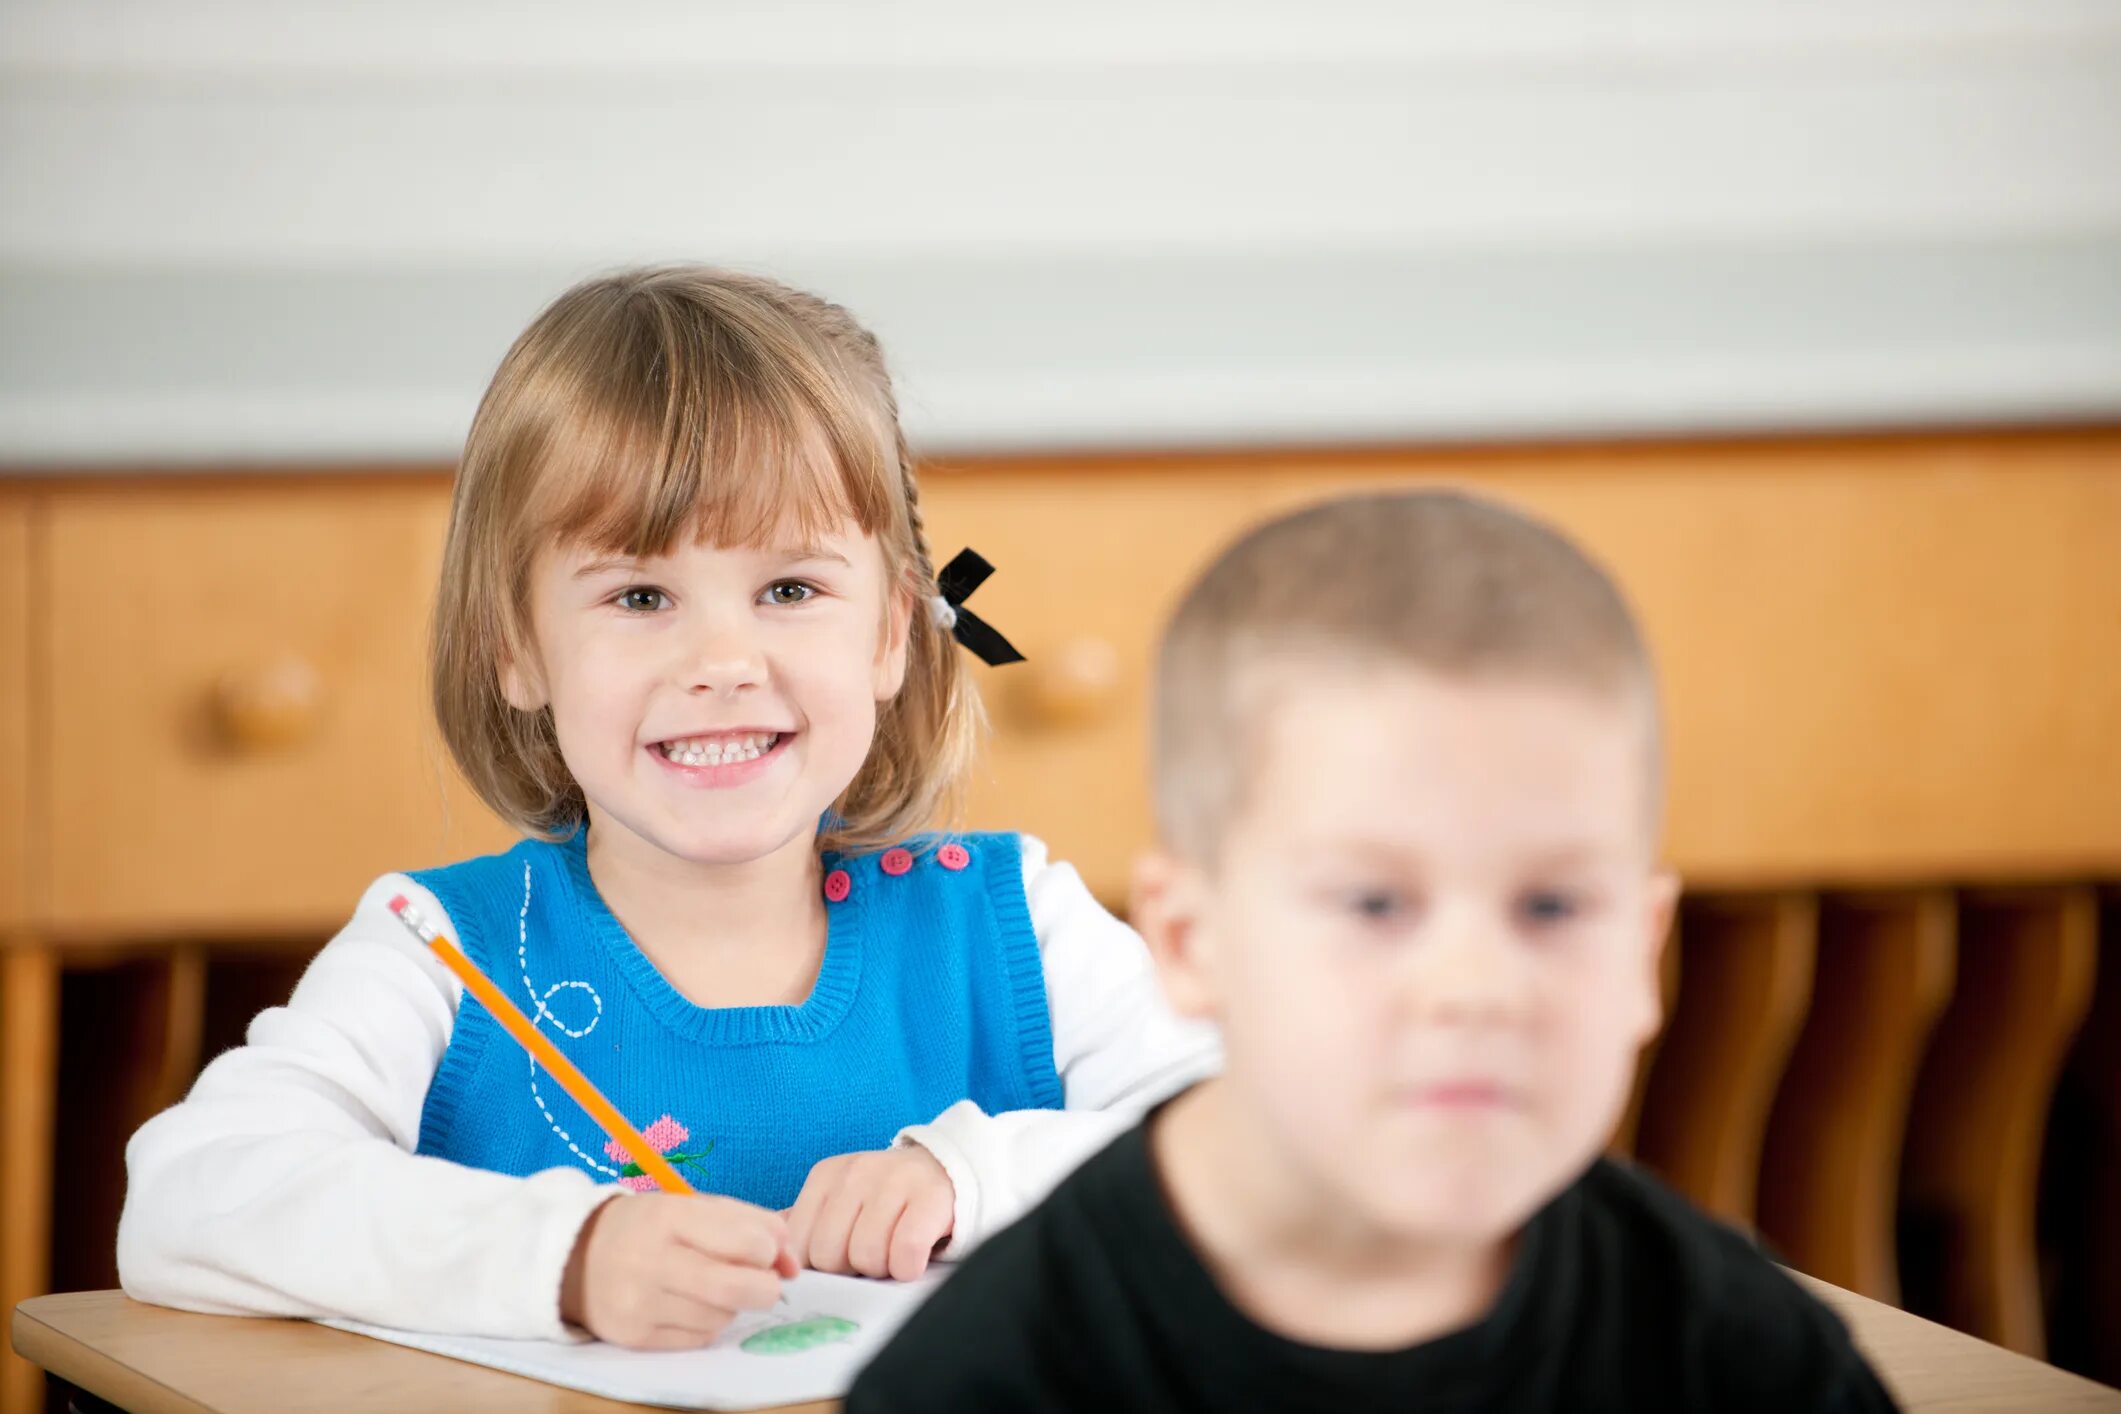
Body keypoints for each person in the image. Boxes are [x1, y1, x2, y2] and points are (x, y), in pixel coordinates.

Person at [117, 266, 1216, 1350]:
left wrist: (973, 1176)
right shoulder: (438, 951)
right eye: (640, 596)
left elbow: (1253, 1142)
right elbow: (190, 1197)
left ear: (889, 633)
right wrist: (568, 1256)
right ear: (515, 649)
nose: (723, 661)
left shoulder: (1015, 923)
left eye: (790, 589)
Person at [850, 489, 1896, 1411]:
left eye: (1551, 906)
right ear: (1191, 941)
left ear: (1642, 951)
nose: (1472, 988)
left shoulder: (1730, 1345)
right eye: (1374, 903)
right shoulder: (997, 1370)